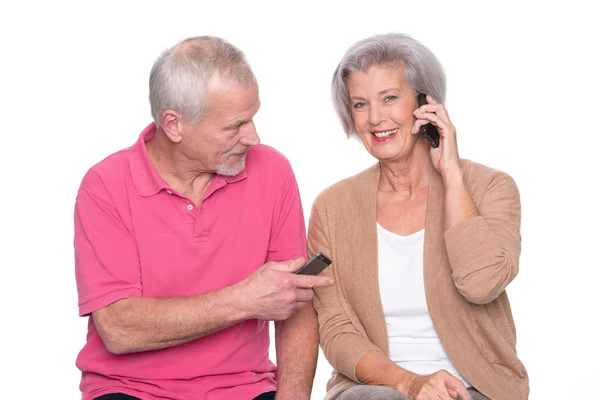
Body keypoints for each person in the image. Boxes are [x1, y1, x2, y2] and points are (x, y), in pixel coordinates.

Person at [74, 36, 333, 400]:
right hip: (131, 391)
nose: (253, 137)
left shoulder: (273, 171)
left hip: (245, 389)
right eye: (234, 126)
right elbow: (118, 328)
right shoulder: (105, 186)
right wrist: (245, 299)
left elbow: (294, 305)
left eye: (253, 117)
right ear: (174, 125)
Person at [308, 33, 529, 400]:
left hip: (474, 387)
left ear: (426, 102)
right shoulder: (332, 207)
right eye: (360, 104)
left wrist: (452, 176)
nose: (376, 118)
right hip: (376, 387)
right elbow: (335, 328)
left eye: (390, 98)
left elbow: (481, 283)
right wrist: (407, 383)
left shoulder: (491, 187)